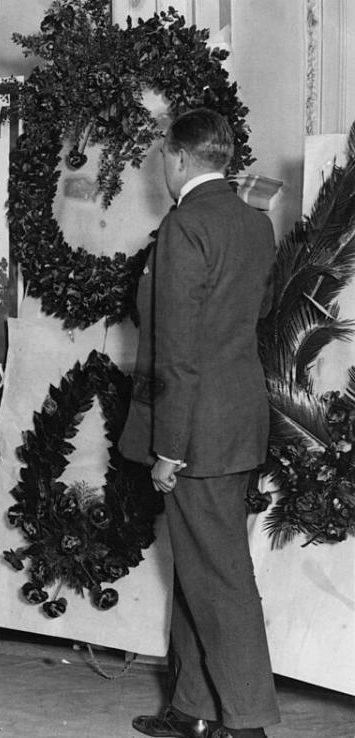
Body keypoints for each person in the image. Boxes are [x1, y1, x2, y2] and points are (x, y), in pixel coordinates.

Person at [118, 109, 280, 738]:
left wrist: (170, 449)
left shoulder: (185, 226)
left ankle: (246, 722)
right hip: (237, 421)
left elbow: (178, 349)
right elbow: (248, 320)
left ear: (178, 157)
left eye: (162, 156)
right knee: (198, 564)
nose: (162, 166)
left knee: (220, 578)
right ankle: (193, 709)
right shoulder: (253, 223)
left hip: (197, 435)